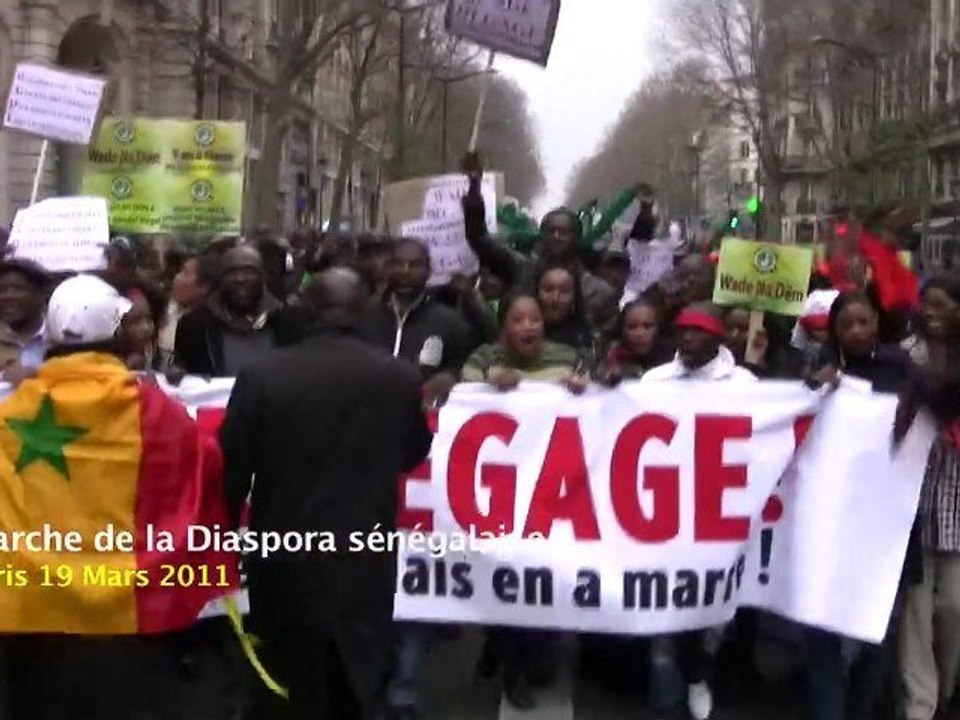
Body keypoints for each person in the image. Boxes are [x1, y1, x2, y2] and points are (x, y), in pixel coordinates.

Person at [220, 268, 432, 720]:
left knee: (285, 678)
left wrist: (225, 539)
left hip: (284, 557)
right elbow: (413, 452)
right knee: (357, 678)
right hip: (363, 556)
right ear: (363, 310)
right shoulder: (399, 378)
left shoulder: (262, 376)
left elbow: (232, 467)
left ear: (308, 309)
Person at [461, 292, 586, 711]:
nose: (528, 326)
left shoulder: (566, 357)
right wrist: (488, 382)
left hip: (550, 490)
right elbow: (461, 397)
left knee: (540, 576)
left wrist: (583, 390)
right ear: (504, 325)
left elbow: (593, 401)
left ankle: (515, 652)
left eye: (535, 320)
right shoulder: (484, 357)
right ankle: (510, 667)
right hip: (499, 490)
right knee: (505, 576)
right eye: (518, 319)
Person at [640, 302, 755, 720]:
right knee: (662, 602)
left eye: (697, 331)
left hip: (716, 510)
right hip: (663, 509)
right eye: (681, 331)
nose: (687, 338)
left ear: (717, 337)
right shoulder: (654, 380)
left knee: (710, 604)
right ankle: (666, 695)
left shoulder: (744, 384)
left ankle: (698, 673)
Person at [806, 291, 914, 720]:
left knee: (876, 631)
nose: (855, 331)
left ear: (877, 324)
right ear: (834, 329)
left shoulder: (902, 369)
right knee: (822, 630)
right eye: (846, 324)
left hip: (884, 522)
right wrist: (816, 388)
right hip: (828, 520)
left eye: (863, 322)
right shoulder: (817, 368)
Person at [895, 273, 960, 720]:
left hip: (956, 502)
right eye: (926, 304)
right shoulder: (905, 355)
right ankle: (920, 703)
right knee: (915, 614)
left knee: (953, 607)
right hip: (914, 503)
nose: (931, 312)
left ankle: (946, 687)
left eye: (941, 304)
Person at [460, 153, 616, 327]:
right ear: (541, 237)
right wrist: (474, 187)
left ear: (578, 239)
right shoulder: (521, 269)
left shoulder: (599, 292)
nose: (556, 237)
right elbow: (479, 238)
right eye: (551, 232)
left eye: (564, 233)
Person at [361, 239, 473, 406]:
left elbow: (462, 370)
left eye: (415, 265)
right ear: (386, 268)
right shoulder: (363, 314)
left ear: (429, 271)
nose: (405, 271)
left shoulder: (450, 323)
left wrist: (450, 377)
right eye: (398, 263)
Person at [174, 244, 306, 377]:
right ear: (221, 278)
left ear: (263, 277)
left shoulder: (290, 322)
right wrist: (176, 374)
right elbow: (181, 369)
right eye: (231, 272)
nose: (240, 278)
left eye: (249, 271)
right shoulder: (194, 327)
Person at [158, 252, 221, 362]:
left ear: (204, 287)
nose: (177, 277)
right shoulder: (165, 310)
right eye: (180, 271)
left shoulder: (210, 329)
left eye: (186, 273)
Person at [0, 258, 51, 380]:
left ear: (41, 294)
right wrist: (3, 376)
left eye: (18, 289)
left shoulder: (60, 338)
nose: (8, 296)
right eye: (2, 290)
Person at [598, 298, 670, 383]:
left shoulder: (673, 358)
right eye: (632, 327)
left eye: (647, 326)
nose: (640, 334)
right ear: (622, 330)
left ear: (658, 328)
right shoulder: (612, 359)